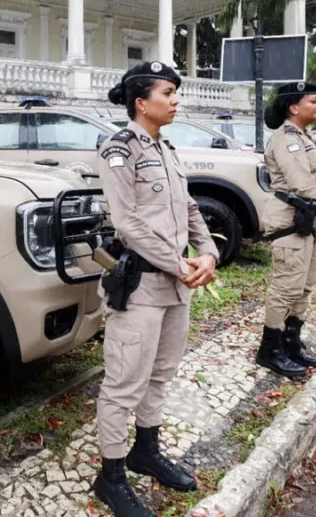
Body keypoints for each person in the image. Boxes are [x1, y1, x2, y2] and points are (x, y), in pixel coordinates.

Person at [93, 61, 219, 517]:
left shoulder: (167, 150)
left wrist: (208, 253)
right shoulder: (119, 149)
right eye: (168, 91)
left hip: (175, 286)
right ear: (141, 102)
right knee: (124, 384)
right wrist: (180, 264)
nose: (176, 99)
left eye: (176, 91)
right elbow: (127, 222)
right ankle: (110, 477)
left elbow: (189, 209)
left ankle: (145, 451)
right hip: (142, 285)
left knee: (160, 376)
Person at [256, 82, 316, 380]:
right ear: (294, 107)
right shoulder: (286, 139)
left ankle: (290, 343)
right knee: (286, 289)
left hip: (312, 223)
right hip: (291, 223)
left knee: (304, 288)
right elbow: (302, 183)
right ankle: (269, 350)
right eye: (314, 101)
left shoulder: (309, 138)